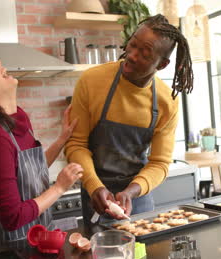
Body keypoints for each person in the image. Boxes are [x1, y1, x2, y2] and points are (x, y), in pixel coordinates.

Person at [65, 14, 194, 223]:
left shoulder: (166, 102)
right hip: (95, 195)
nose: (132, 56)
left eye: (144, 54)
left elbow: (160, 163)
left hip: (138, 200)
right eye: (132, 45)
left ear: (162, 65)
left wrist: (132, 192)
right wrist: (94, 186)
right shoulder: (92, 81)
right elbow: (76, 144)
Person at [0, 59, 83, 246]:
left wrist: (62, 139)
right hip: (16, 248)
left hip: (39, 239)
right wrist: (59, 187)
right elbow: (13, 218)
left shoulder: (17, 120)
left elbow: (31, 171)